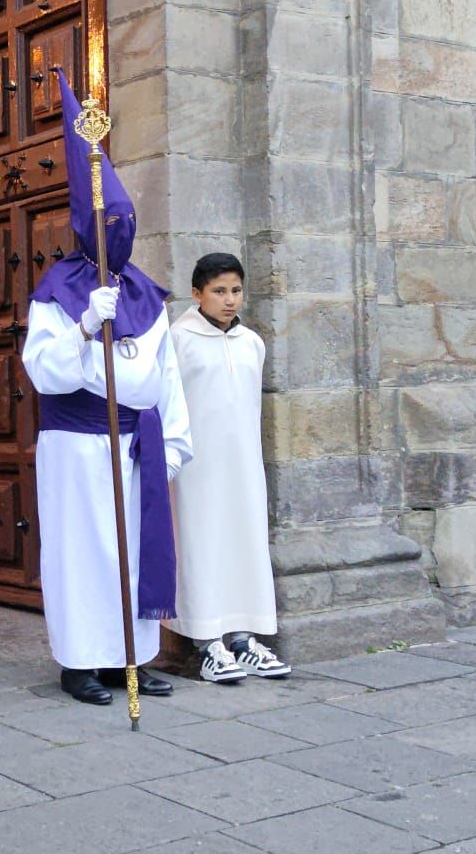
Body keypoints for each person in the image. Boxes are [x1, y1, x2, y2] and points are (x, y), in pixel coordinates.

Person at [21, 73, 191, 706]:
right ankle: (81, 662)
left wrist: (171, 443)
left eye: (126, 219)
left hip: (135, 443)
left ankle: (135, 659)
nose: (117, 226)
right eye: (108, 218)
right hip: (76, 444)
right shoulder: (58, 291)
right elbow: (44, 372)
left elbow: (166, 376)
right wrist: (86, 325)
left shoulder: (147, 293)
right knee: (83, 554)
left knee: (133, 551)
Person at [166, 253, 290, 683]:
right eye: (219, 291)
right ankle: (207, 643)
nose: (230, 300)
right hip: (196, 468)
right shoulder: (178, 340)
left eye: (236, 290)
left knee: (243, 540)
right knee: (201, 544)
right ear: (197, 294)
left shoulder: (252, 343)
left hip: (242, 466)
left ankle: (243, 636)